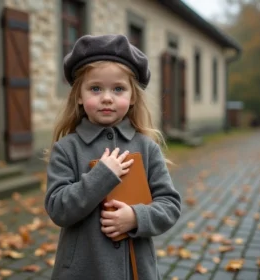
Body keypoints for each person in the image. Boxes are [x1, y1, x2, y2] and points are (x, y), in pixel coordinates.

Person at [44, 34, 181, 280]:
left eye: (118, 89)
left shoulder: (147, 147)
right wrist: (101, 177)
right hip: (82, 271)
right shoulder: (66, 149)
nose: (107, 97)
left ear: (132, 98)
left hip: (136, 270)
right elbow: (58, 209)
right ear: (78, 95)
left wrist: (136, 218)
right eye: (95, 88)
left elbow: (169, 206)